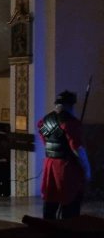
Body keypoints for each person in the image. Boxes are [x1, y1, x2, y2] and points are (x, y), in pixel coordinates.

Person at [37, 90, 92, 220]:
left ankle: (47, 227)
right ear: (70, 105)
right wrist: (87, 169)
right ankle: (67, 228)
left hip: (50, 166)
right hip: (66, 168)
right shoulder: (71, 123)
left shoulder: (44, 121)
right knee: (70, 203)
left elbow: (46, 143)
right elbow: (77, 148)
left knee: (50, 201)